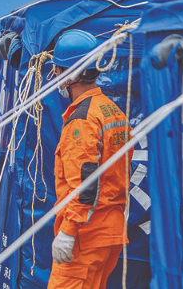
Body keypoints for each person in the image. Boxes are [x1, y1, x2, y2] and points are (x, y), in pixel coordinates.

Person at [48, 29, 133, 289]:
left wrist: (68, 231)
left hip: (84, 236)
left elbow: (84, 184)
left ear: (70, 74)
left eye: (59, 70)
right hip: (108, 231)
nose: (56, 76)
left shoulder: (82, 120)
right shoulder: (111, 109)